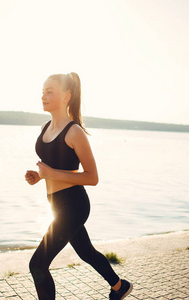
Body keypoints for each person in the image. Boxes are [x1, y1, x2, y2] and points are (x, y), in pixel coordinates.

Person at [25, 72, 133, 300]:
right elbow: (55, 165)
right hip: (55, 203)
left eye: (49, 92)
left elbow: (92, 177)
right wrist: (40, 176)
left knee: (37, 264)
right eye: (42, 91)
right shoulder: (45, 127)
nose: (43, 96)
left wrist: (51, 173)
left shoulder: (75, 132)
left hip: (74, 204)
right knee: (86, 252)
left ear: (66, 96)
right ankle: (119, 286)